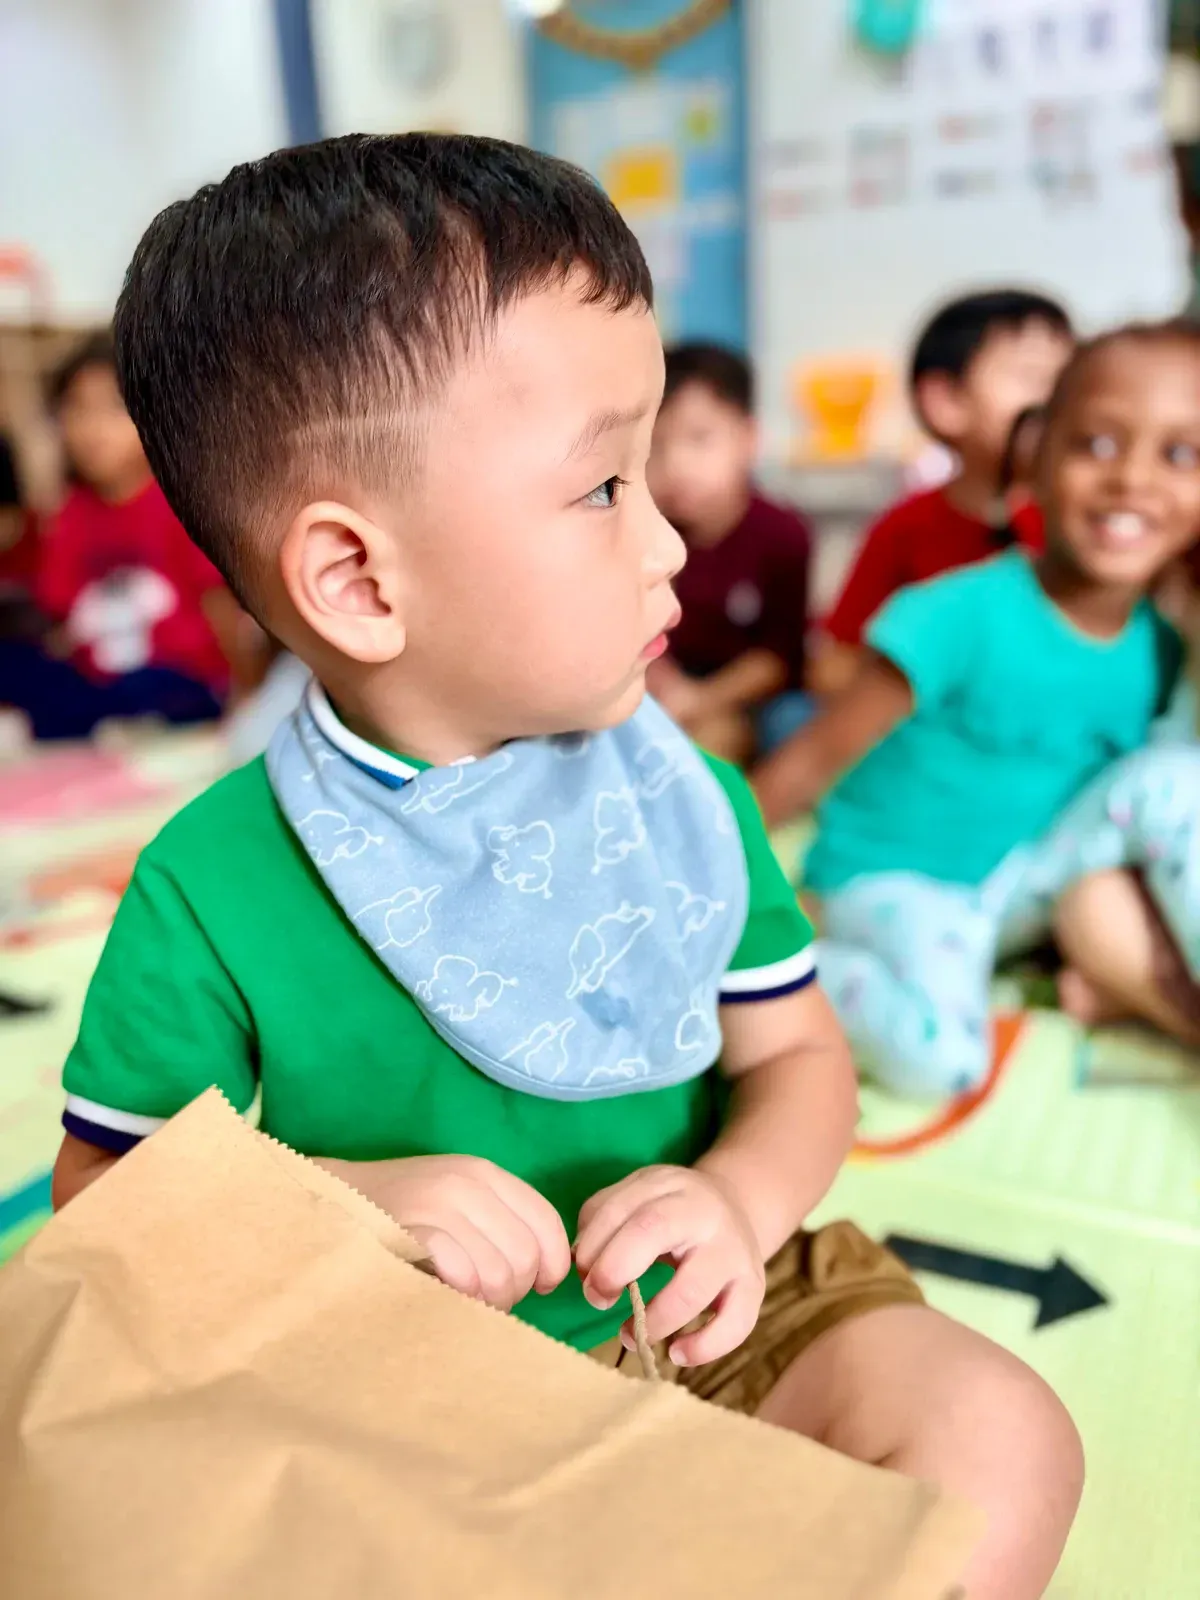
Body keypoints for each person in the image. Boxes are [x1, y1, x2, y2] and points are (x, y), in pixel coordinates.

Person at [52, 135, 1081, 1600]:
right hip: (404, 1376)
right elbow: (110, 1202)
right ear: (358, 579)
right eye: (603, 487)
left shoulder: (681, 797)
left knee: (1001, 1438)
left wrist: (738, 1202)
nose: (668, 543)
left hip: (718, 1315)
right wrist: (338, 1207)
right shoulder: (211, 882)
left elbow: (799, 1057)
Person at [756, 321, 1200, 1099]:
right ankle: (793, 969)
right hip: (901, 879)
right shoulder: (957, 613)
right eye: (1097, 444)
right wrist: (724, 900)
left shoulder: (1164, 646)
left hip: (1024, 882)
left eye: (1180, 455)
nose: (1131, 478)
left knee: (1172, 780)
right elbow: (807, 762)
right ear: (1034, 460)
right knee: (945, 1065)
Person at [813, 290, 1073, 695]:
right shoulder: (904, 529)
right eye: (1032, 378)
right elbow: (834, 665)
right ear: (946, 401)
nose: (1055, 401)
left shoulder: (1077, 524)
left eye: (1068, 380)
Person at [0, 334, 240, 739]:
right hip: (100, 683)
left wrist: (245, 693)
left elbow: (219, 609)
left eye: (113, 409)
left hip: (179, 677)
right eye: (77, 409)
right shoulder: (69, 515)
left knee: (151, 689)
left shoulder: (180, 504)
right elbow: (62, 617)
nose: (93, 429)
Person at [645, 343, 812, 763]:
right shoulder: (645, 531)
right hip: (664, 684)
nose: (675, 463)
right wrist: (668, 688)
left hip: (748, 693)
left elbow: (776, 659)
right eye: (654, 445)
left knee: (777, 725)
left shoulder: (782, 534)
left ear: (748, 439)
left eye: (699, 439)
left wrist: (701, 700)